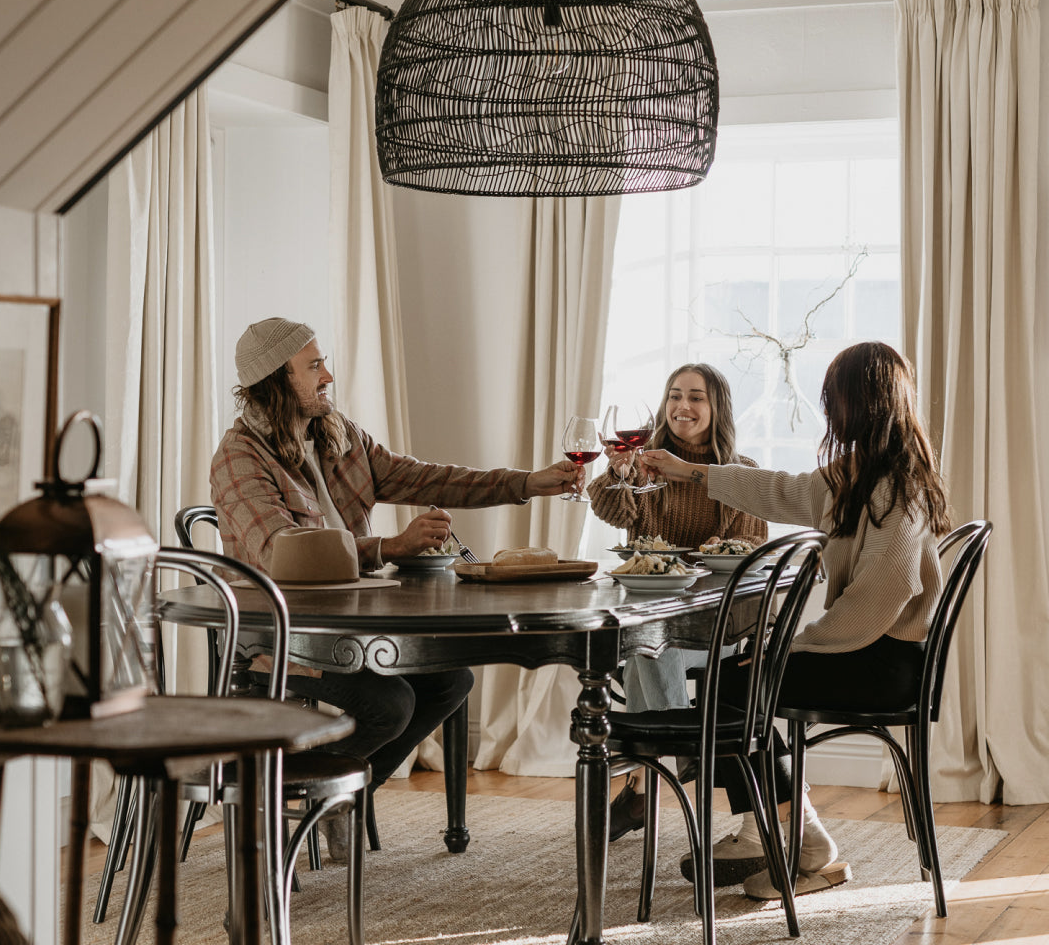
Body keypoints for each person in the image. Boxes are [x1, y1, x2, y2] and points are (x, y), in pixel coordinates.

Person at [211, 317, 583, 856]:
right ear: (275, 378)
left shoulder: (336, 433)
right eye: (313, 366)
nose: (327, 375)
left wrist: (525, 483)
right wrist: (388, 549)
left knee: (451, 682)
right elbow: (281, 553)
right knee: (388, 702)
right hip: (283, 641)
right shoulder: (239, 457)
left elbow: (425, 477)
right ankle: (299, 798)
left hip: (353, 629)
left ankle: (341, 798)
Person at [639, 341, 951, 899]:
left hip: (884, 662)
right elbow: (780, 490)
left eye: (834, 395)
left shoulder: (894, 484)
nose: (827, 405)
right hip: (872, 651)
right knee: (729, 682)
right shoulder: (861, 472)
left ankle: (787, 836)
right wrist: (694, 472)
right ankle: (796, 835)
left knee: (729, 685)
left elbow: (885, 591)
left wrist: (793, 646)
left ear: (866, 401)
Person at [587, 364, 767, 845]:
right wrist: (619, 471)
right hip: (654, 619)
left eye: (697, 397)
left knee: (651, 647)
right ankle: (668, 767)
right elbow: (610, 509)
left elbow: (746, 561)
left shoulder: (740, 475)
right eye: (674, 395)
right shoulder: (647, 468)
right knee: (645, 643)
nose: (682, 406)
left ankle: (653, 777)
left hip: (722, 632)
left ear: (717, 409)